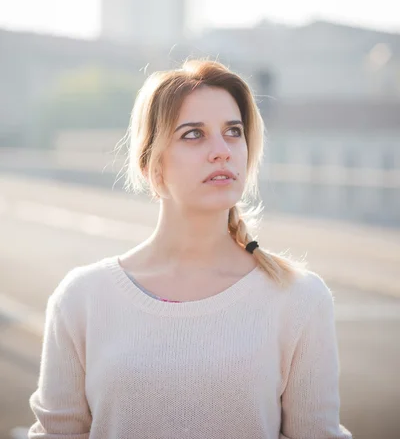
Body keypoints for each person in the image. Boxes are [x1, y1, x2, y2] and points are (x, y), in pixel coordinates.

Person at [28, 58, 352, 438]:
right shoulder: (81, 298)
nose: (222, 151)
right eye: (193, 134)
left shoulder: (299, 298)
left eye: (233, 132)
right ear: (152, 165)